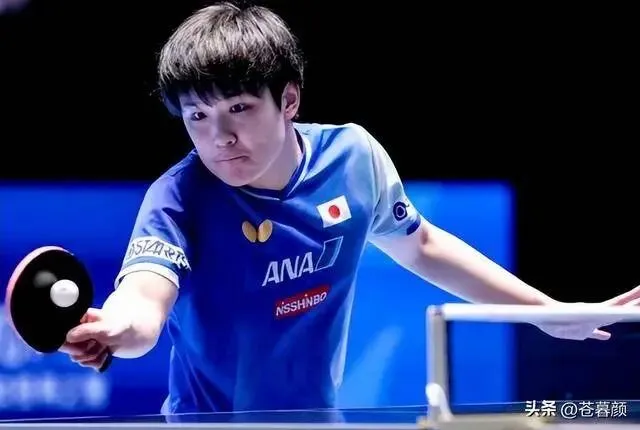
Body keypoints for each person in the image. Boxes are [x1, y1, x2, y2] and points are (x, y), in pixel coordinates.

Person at [59, 2, 640, 415]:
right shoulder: (178, 197)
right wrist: (115, 328)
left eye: (238, 108)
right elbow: (144, 303)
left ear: (288, 99)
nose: (220, 137)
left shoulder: (353, 158)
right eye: (197, 117)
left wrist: (544, 313)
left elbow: (422, 245)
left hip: (319, 422)